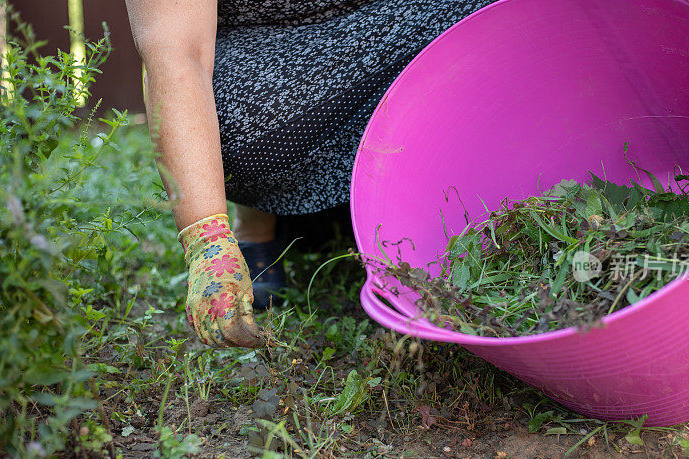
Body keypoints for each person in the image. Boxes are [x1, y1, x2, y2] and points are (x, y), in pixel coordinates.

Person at [125, 0, 493, 348]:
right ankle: (258, 220)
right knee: (243, 123)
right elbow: (177, 51)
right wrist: (206, 239)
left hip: (395, 19)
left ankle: (429, 205)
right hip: (270, 52)